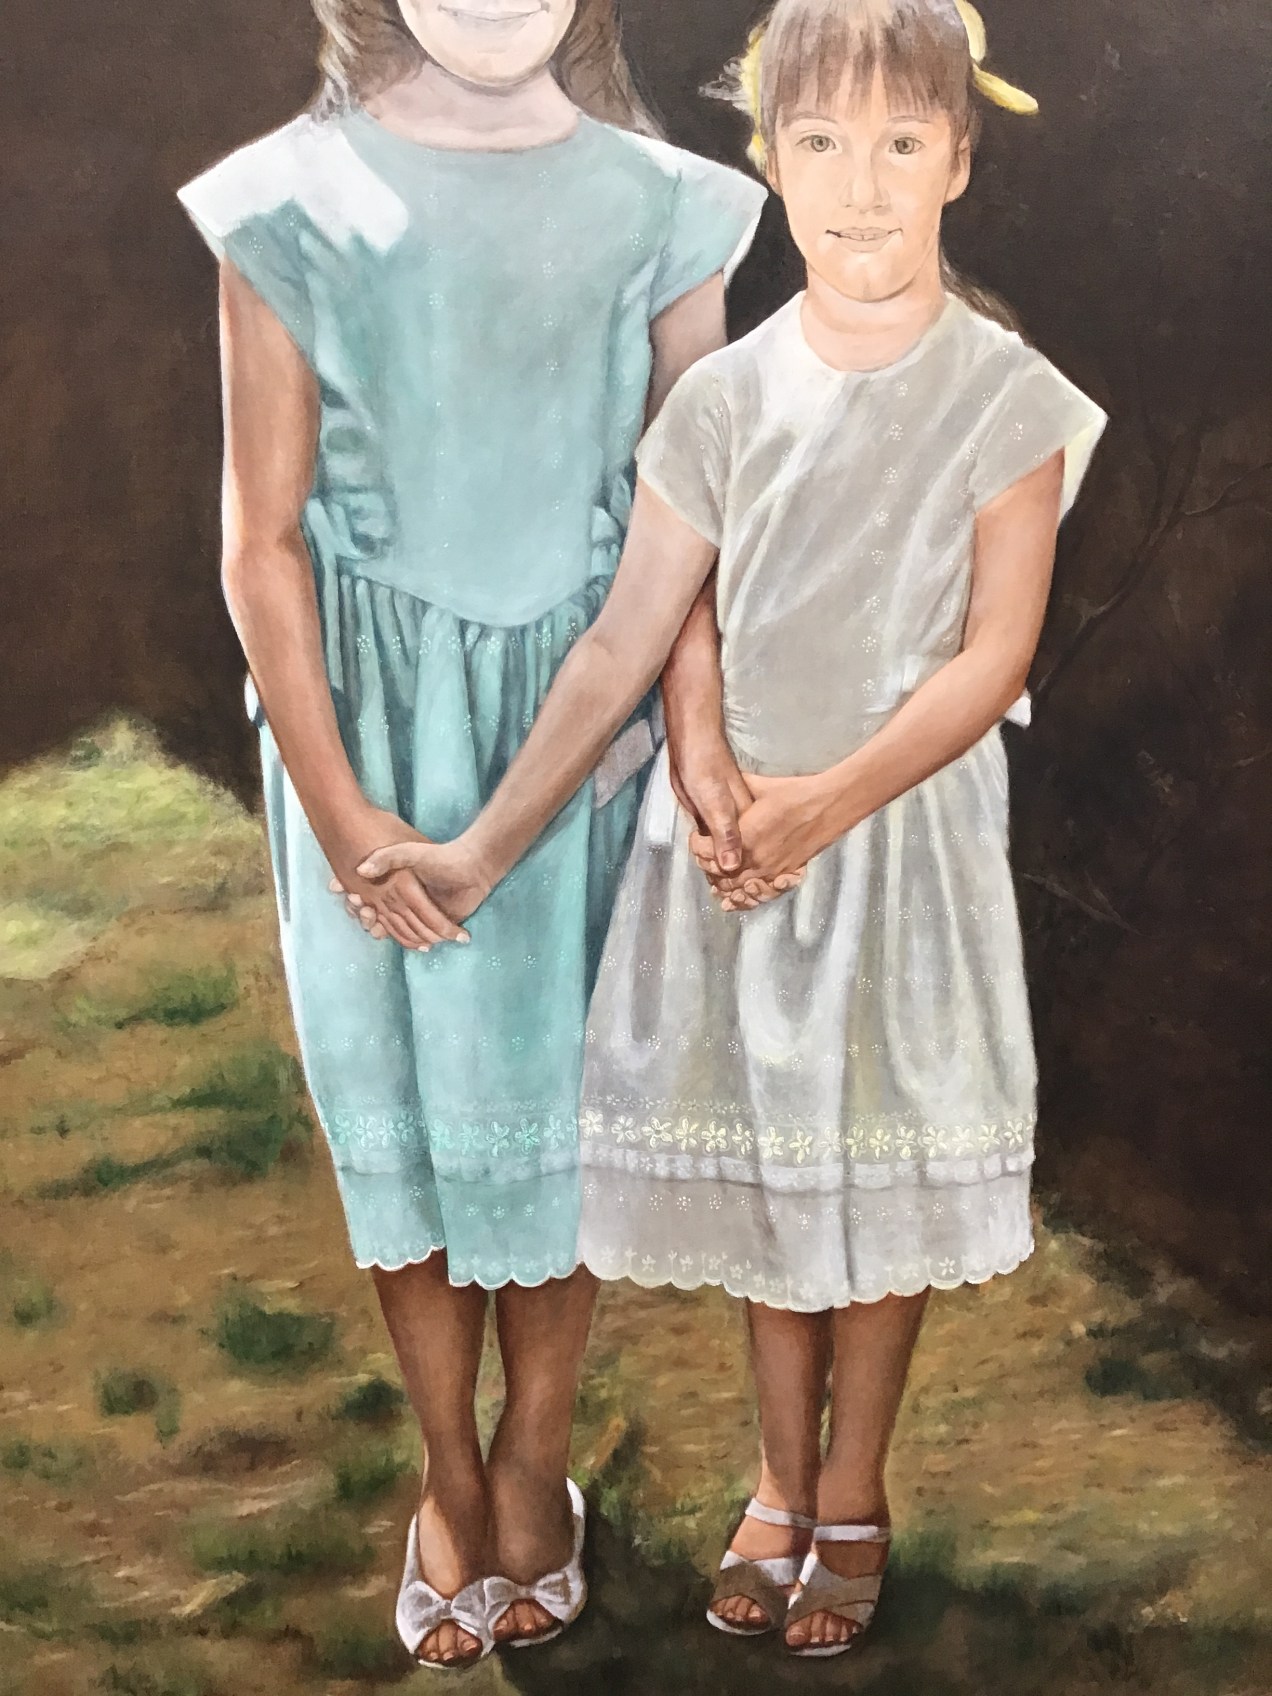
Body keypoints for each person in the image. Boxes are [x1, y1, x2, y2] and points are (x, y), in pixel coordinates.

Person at [355, 0, 1108, 1660]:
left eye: (901, 144)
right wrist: (676, 770)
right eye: (819, 144)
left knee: (880, 1172)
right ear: (769, 161)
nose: (860, 185)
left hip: (893, 848)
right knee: (779, 1168)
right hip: (746, 857)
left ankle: (855, 1487)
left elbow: (992, 659)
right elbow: (647, 629)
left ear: (958, 159)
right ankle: (776, 1481)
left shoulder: (1009, 399)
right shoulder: (723, 398)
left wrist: (826, 802)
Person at [177, 0, 764, 1669]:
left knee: (557, 1127)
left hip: (580, 740)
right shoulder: (285, 200)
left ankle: (532, 1459)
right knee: (414, 1126)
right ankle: (447, 1467)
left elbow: (688, 536)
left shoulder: (669, 205)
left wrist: (680, 740)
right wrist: (344, 808)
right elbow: (261, 541)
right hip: (363, 746)